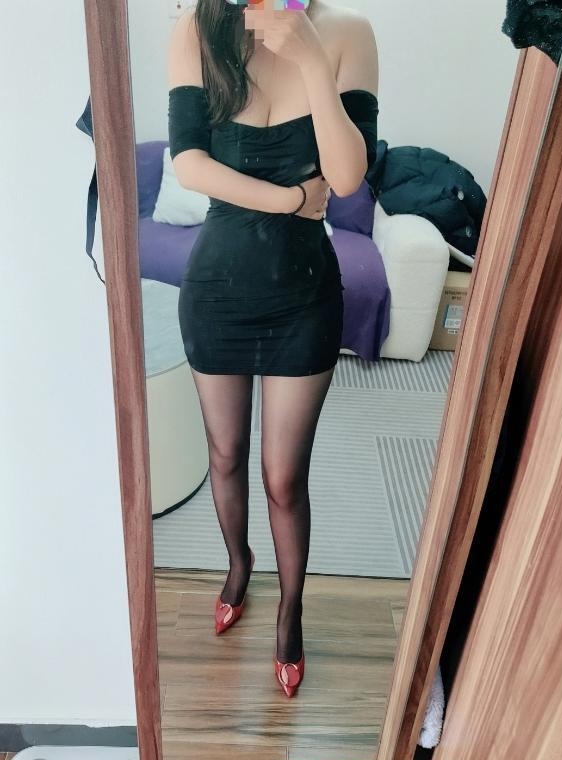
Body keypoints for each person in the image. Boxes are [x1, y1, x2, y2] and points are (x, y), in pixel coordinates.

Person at [168, 0, 379, 697]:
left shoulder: (349, 34)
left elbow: (346, 178)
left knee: (284, 478)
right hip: (216, 290)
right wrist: (290, 199)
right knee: (224, 454)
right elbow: (189, 165)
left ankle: (291, 611)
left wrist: (311, 57)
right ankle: (239, 565)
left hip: (304, 296)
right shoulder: (197, 27)